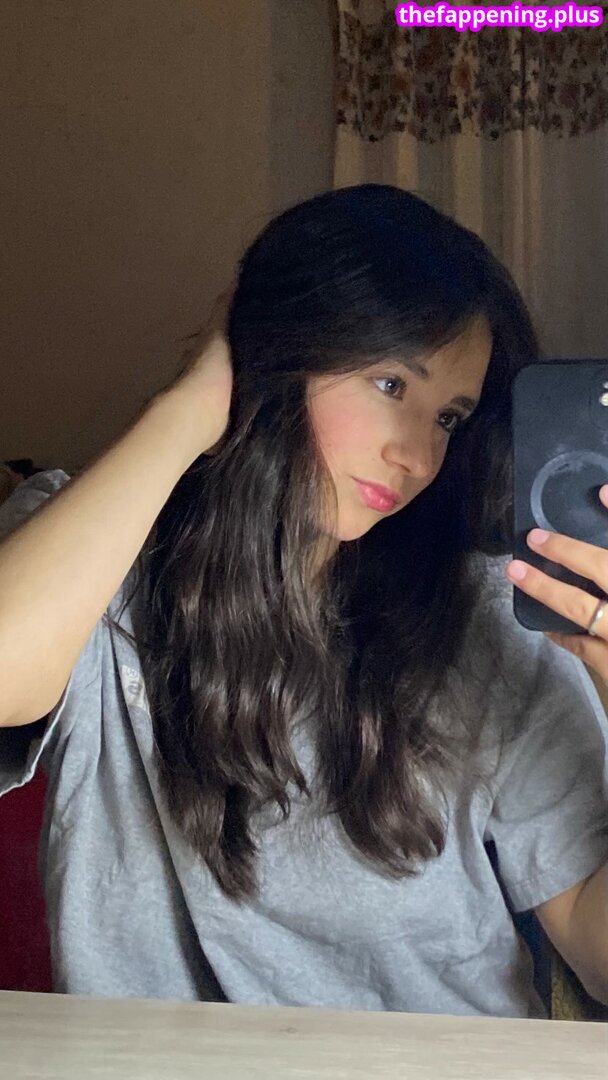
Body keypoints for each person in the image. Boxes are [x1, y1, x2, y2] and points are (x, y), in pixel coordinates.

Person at [0, 184, 607, 1017]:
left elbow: (598, 956)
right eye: (391, 384)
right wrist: (191, 406)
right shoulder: (99, 560)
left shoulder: (480, 613)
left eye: (449, 418)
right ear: (283, 352)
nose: (416, 455)